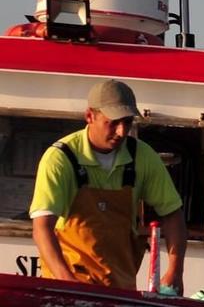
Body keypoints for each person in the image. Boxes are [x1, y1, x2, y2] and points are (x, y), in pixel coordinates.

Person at [29, 79, 186, 291]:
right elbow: (42, 228)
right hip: (67, 285)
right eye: (113, 122)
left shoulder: (143, 156)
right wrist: (66, 281)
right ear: (89, 116)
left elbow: (172, 214)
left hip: (120, 289)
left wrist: (175, 271)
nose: (122, 131)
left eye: (128, 122)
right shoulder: (59, 159)